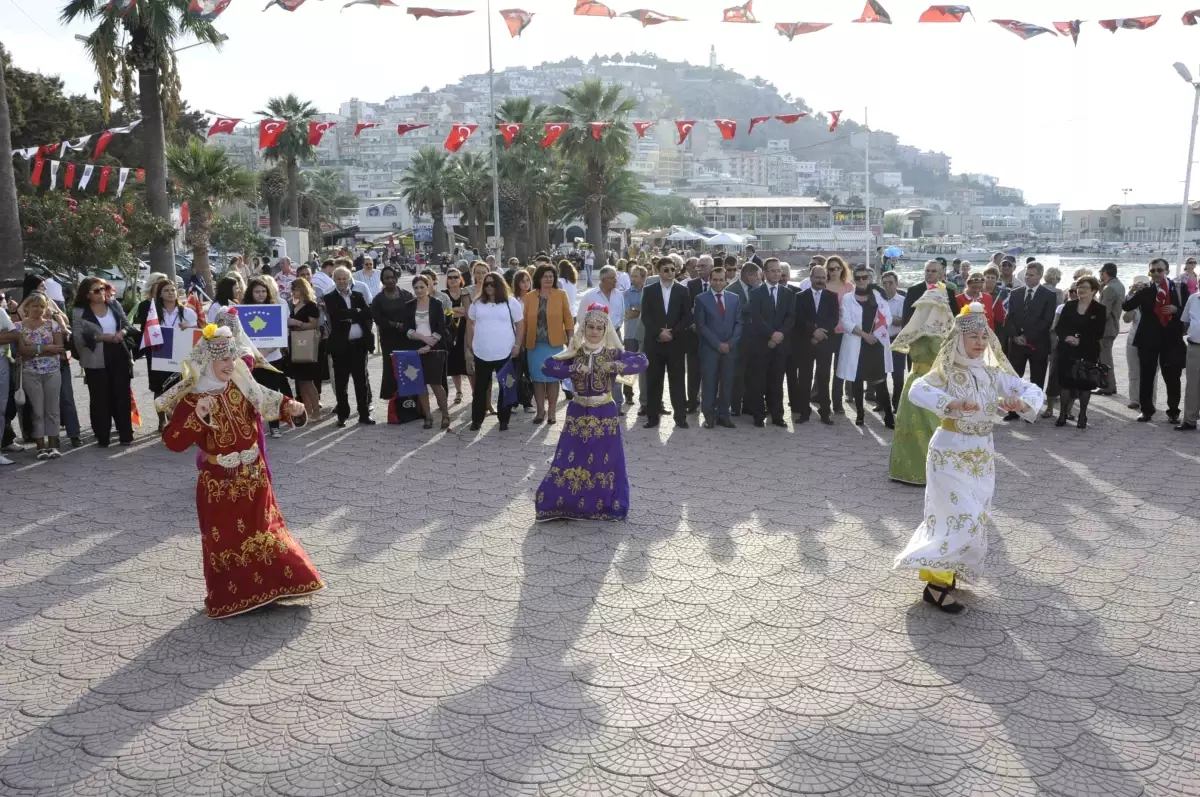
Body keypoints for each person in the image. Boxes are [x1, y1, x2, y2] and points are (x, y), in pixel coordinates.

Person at [157, 323, 323, 619]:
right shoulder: (193, 399)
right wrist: (198, 416)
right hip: (220, 484)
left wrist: (291, 407)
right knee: (229, 541)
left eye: (232, 358)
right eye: (223, 360)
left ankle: (276, 586)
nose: (229, 364)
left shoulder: (240, 384)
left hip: (254, 476)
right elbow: (173, 441)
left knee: (266, 531)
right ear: (207, 361)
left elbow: (267, 399)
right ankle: (237, 597)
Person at [893, 302, 1045, 613]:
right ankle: (935, 587)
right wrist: (950, 402)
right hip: (949, 453)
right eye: (973, 336)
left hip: (982, 455)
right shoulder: (945, 371)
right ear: (958, 338)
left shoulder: (991, 373)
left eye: (984, 337)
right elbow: (916, 390)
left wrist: (1019, 402)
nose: (979, 342)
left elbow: (1031, 388)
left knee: (975, 517)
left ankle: (946, 574)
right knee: (958, 517)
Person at [535, 304, 648, 521]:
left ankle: (606, 506)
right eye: (590, 327)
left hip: (604, 413)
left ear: (606, 331)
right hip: (577, 411)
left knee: (604, 460)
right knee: (569, 457)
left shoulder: (612, 353)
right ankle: (564, 504)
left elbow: (642, 361)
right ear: (583, 328)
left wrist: (613, 366)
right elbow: (547, 366)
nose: (594, 332)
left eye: (599, 328)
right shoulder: (574, 353)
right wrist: (573, 369)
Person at [888, 286, 955, 485]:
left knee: (910, 425)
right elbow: (944, 359)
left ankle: (905, 470)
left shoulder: (916, 330)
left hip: (915, 379)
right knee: (932, 427)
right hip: (933, 382)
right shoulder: (935, 335)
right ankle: (929, 473)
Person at [1123, 258, 1190, 424]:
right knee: (1146, 376)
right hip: (1148, 340)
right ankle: (1146, 410)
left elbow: (1188, 313)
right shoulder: (1145, 290)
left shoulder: (1179, 288)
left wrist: (1176, 309)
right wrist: (1132, 291)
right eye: (1152, 271)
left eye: (1160, 270)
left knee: (1172, 377)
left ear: (1166, 271)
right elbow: (1127, 306)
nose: (1156, 274)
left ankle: (1173, 411)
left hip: (1171, 340)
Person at [71, 277, 135, 448]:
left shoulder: (114, 304)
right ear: (87, 294)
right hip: (95, 356)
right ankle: (103, 436)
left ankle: (126, 435)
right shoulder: (79, 311)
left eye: (103, 289)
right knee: (100, 398)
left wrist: (121, 332)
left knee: (121, 395)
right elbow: (77, 337)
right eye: (97, 290)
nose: (102, 293)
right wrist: (100, 337)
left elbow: (128, 325)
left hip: (118, 353)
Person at [837, 265, 895, 428]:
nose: (861, 281)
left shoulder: (878, 295)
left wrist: (875, 335)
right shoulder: (848, 298)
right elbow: (846, 321)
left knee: (880, 382)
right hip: (857, 342)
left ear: (869, 278)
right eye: (858, 278)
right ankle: (860, 414)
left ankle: (889, 416)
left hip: (876, 344)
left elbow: (888, 318)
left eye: (864, 277)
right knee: (857, 380)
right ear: (853, 280)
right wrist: (865, 335)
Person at [466, 273, 525, 432]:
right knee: (480, 388)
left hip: (505, 351)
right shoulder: (477, 303)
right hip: (481, 352)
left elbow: (520, 325)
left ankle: (504, 420)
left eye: (493, 284)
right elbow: (470, 324)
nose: (489, 287)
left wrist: (517, 345)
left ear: (499, 285)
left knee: (505, 386)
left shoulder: (511, 302)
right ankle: (477, 420)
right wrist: (470, 345)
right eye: (486, 284)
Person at [640, 257, 693, 429]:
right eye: (666, 270)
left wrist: (672, 332)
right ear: (658, 271)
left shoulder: (683, 290)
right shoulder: (649, 290)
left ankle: (680, 417)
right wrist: (659, 332)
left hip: (676, 343)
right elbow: (646, 316)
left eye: (673, 269)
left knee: (677, 381)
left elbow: (687, 317)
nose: (670, 272)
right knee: (654, 380)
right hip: (655, 343)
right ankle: (652, 416)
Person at [744, 258, 795, 429]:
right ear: (764, 273)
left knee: (776, 382)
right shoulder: (756, 293)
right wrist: (771, 334)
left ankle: (777, 415)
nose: (776, 273)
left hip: (781, 344)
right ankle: (759, 415)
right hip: (761, 344)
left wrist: (780, 334)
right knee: (759, 381)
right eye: (772, 270)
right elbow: (756, 318)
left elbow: (790, 316)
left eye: (778, 270)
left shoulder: (787, 293)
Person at [1003, 262, 1057, 421]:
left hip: (1038, 344)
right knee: (1014, 378)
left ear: (1040, 276)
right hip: (1017, 344)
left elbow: (1047, 320)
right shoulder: (1016, 293)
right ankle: (1012, 410)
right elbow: (1008, 318)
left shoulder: (1049, 295)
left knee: (1037, 379)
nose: (1028, 277)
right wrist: (1014, 336)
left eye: (1031, 275)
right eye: (1026, 274)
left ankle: (1031, 410)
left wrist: (1027, 337)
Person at [15, 294, 67, 460]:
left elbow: (58, 348)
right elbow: (22, 351)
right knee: (37, 410)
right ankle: (40, 447)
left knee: (52, 409)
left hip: (52, 371)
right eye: (34, 306)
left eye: (41, 307)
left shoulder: (53, 325)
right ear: (27, 307)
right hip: (30, 373)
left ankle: (53, 445)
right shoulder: (18, 327)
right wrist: (46, 347)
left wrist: (34, 349)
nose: (38, 310)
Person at [242, 276, 294, 440]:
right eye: (257, 291)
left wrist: (265, 352)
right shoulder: (243, 310)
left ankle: (274, 426)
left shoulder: (275, 308)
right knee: (251, 393)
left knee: (272, 393)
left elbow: (281, 335)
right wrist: (254, 354)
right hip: (251, 360)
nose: (261, 294)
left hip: (272, 358)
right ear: (251, 293)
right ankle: (252, 427)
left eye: (264, 291)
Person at [1053, 275, 1107, 430]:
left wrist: (1080, 340)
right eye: (1079, 287)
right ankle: (1062, 414)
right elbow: (1059, 327)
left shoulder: (1099, 309)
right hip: (1066, 349)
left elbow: (1098, 333)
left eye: (1085, 287)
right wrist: (1066, 337)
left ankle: (1082, 414)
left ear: (1094, 290)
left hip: (1088, 350)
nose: (1081, 290)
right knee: (1065, 383)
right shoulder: (1069, 305)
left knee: (1085, 384)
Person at [325, 266, 375, 428]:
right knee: (341, 382)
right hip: (341, 346)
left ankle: (364, 414)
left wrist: (352, 313)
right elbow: (337, 315)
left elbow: (368, 313)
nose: (342, 281)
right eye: (338, 278)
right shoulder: (330, 297)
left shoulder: (358, 295)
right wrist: (356, 312)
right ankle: (342, 415)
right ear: (334, 280)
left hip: (359, 344)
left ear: (349, 279)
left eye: (344, 278)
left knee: (361, 381)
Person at [523, 264, 574, 425]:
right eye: (545, 276)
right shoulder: (530, 296)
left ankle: (552, 412)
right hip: (534, 345)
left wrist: (571, 339)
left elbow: (568, 318)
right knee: (537, 379)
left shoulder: (561, 294)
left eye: (551, 276)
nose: (549, 279)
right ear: (538, 278)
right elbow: (523, 321)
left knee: (552, 379)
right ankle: (540, 411)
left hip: (554, 345)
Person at [693, 265, 741, 429]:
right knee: (709, 383)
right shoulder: (701, 298)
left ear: (726, 280)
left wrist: (730, 343)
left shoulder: (734, 298)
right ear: (710, 280)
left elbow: (739, 323)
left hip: (730, 348)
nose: (718, 283)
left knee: (727, 383)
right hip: (710, 349)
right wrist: (717, 344)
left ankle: (724, 415)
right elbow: (701, 325)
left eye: (721, 280)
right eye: (715, 280)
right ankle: (709, 416)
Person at [401, 274, 451, 430]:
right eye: (416, 287)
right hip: (416, 348)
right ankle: (428, 416)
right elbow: (406, 329)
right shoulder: (409, 305)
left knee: (436, 383)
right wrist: (422, 338)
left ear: (428, 287)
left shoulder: (437, 303)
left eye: (422, 287)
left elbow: (441, 327)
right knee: (420, 384)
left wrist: (429, 344)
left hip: (435, 348)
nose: (419, 290)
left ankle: (445, 415)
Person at [792, 265, 839, 425]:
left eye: (823, 277)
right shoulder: (800, 296)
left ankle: (825, 412)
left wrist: (820, 335)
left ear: (826, 278)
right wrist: (813, 331)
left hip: (824, 343)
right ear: (810, 277)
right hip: (805, 343)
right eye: (817, 277)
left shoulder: (832, 296)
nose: (820, 280)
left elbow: (834, 319)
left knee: (824, 378)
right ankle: (804, 412)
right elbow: (798, 318)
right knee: (804, 378)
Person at [578, 266, 626, 410]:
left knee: (615, 367)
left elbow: (622, 315)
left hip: (615, 335)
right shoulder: (589, 296)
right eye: (613, 277)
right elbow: (581, 318)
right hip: (596, 339)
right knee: (597, 369)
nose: (616, 280)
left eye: (616, 277)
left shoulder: (619, 295)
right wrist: (593, 333)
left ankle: (617, 403)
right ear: (604, 279)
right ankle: (596, 401)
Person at [371, 265, 415, 403]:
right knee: (391, 368)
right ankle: (394, 400)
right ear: (382, 280)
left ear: (396, 278)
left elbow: (414, 315)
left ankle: (411, 399)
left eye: (392, 277)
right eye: (386, 278)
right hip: (389, 339)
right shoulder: (378, 299)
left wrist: (406, 326)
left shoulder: (407, 295)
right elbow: (377, 319)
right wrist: (394, 324)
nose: (390, 280)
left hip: (407, 338)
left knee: (408, 368)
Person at [286, 277, 322, 418]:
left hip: (305, 345)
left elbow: (314, 325)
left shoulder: (311, 305)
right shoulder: (295, 306)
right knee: (301, 381)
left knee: (308, 381)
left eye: (294, 289)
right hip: (296, 345)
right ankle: (307, 410)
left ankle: (316, 411)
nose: (292, 292)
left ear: (301, 289)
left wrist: (297, 323)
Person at [684, 255, 715, 414]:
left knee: (712, 370)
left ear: (711, 267)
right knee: (694, 370)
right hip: (694, 336)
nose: (699, 269)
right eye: (698, 266)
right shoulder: (690, 285)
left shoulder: (718, 284)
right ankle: (692, 400)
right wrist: (692, 323)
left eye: (703, 266)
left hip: (714, 336)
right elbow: (686, 310)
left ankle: (710, 401)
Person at [1096, 262, 1125, 396]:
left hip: (1106, 329)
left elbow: (1104, 312)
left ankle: (1107, 386)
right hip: (1113, 326)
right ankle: (1110, 385)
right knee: (1107, 358)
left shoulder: (1109, 288)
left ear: (1105, 273)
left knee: (1105, 359)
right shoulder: (1119, 285)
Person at [443, 267, 471, 404]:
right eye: (450, 277)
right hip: (449, 332)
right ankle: (459, 391)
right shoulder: (443, 295)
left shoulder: (466, 293)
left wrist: (450, 310)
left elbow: (468, 312)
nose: (453, 280)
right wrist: (457, 310)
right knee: (454, 363)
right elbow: (442, 312)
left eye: (456, 277)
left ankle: (475, 392)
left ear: (461, 279)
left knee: (469, 361)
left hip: (466, 331)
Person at [902, 260, 957, 327]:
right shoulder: (912, 291)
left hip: (942, 332)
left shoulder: (949, 292)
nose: (930, 273)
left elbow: (954, 315)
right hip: (918, 332)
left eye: (933, 271)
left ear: (940, 274)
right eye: (927, 271)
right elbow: (906, 316)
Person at [881, 272, 906, 412]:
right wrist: (894, 319)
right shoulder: (879, 300)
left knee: (898, 375)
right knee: (881, 374)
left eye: (890, 282)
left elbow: (903, 321)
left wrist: (890, 319)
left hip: (897, 340)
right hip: (882, 341)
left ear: (897, 283)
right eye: (884, 283)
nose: (888, 286)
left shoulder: (903, 301)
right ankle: (882, 403)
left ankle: (897, 404)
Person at [623, 264, 647, 413]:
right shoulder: (625, 293)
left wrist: (635, 309)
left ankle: (645, 398)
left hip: (645, 334)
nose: (632, 279)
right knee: (628, 366)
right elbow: (627, 314)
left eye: (636, 276)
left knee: (645, 367)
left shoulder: (650, 291)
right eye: (632, 275)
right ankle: (628, 394)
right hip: (630, 334)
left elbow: (652, 311)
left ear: (644, 277)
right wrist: (642, 309)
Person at [1179, 280, 1200, 431]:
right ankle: (1189, 420)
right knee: (1192, 385)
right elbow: (1185, 322)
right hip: (1194, 347)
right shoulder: (1193, 298)